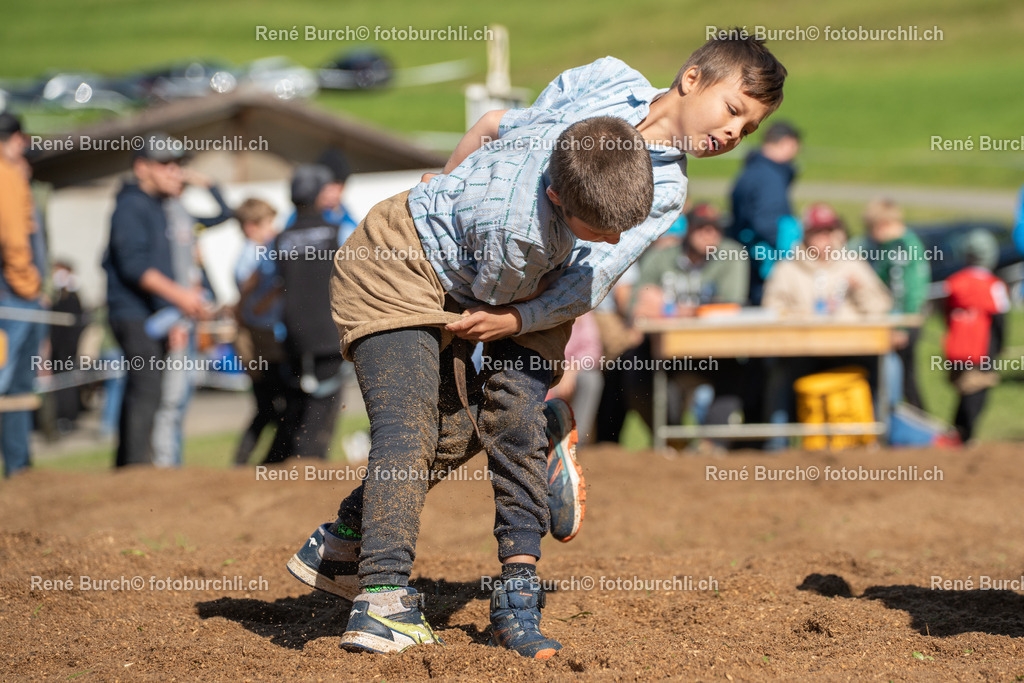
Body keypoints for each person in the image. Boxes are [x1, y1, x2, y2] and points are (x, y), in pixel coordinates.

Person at [287, 33, 787, 659]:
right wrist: (447, 186)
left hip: (534, 293)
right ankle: (380, 593)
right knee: (411, 423)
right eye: (733, 110)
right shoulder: (606, 77)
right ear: (691, 79)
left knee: (484, 424)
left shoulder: (666, 192)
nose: (734, 132)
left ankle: (396, 558)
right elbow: (498, 125)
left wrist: (517, 322)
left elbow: (591, 276)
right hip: (411, 262)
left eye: (751, 128)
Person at [102, 132, 211, 467]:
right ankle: (136, 472)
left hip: (155, 313)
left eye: (177, 164)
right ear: (141, 167)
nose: (174, 171)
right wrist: (179, 298)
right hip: (132, 313)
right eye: (165, 164)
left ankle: (127, 467)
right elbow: (135, 266)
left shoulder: (160, 205)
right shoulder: (130, 205)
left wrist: (172, 313)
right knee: (147, 390)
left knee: (144, 391)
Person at [761, 203, 893, 447]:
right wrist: (801, 316)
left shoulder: (852, 264)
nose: (825, 239)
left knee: (889, 367)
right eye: (818, 232)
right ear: (806, 235)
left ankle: (877, 439)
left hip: (850, 348)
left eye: (829, 232)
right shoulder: (787, 269)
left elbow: (881, 307)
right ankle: (777, 446)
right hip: (802, 349)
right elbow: (771, 308)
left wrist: (860, 290)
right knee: (780, 373)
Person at [629, 203, 751, 446]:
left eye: (715, 229)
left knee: (745, 371)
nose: (709, 234)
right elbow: (637, 307)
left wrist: (670, 308)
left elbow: (729, 307)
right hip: (667, 348)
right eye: (701, 228)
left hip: (717, 348)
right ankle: (673, 442)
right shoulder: (661, 257)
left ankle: (712, 444)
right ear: (689, 229)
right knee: (633, 365)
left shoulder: (732, 255)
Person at [262, 165, 348, 464]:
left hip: (293, 333)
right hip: (329, 330)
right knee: (325, 404)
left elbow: (270, 282)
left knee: (297, 400)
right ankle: (309, 465)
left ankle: (289, 462)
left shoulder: (280, 238)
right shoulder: (338, 231)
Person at [150, 168, 231, 468]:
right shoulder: (161, 220)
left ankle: (174, 461)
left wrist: (209, 183)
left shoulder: (189, 218)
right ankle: (164, 463)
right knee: (170, 396)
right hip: (174, 314)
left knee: (182, 394)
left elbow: (225, 213)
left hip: (194, 313)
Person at [0, 112, 47, 477]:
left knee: (16, 384)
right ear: (17, 139)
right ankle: (17, 465)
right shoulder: (6, 176)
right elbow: (15, 241)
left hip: (15, 291)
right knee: (8, 380)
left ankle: (19, 466)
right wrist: (30, 285)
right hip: (14, 293)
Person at [853, 199, 931, 409]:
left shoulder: (898, 247)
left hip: (903, 320)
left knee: (903, 377)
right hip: (911, 316)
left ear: (882, 225)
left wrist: (900, 326)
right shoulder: (908, 241)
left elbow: (901, 290)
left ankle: (914, 420)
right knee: (907, 375)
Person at [231, 198, 286, 465]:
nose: (273, 229)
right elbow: (249, 296)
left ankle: (264, 460)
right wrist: (279, 289)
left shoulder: (261, 252)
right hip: (259, 337)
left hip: (261, 335)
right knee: (271, 404)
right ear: (251, 227)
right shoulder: (252, 256)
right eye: (268, 224)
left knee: (272, 404)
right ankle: (250, 461)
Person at [942, 229, 1010, 443]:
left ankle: (959, 431)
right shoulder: (993, 285)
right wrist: (1000, 347)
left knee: (963, 389)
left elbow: (945, 312)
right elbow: (1000, 319)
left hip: (957, 345)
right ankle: (964, 434)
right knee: (977, 391)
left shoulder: (954, 282)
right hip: (982, 347)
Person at [728, 120, 801, 304]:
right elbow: (767, 222)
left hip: (748, 257)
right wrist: (790, 258)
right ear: (787, 143)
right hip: (766, 264)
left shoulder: (752, 170)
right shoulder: (769, 177)